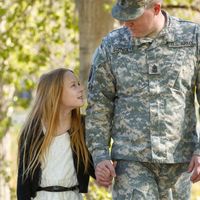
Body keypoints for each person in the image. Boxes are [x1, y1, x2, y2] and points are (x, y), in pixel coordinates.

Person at [86, 0, 200, 199]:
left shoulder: (192, 39)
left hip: (178, 162)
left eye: (133, 16)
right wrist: (100, 154)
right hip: (131, 162)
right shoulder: (113, 46)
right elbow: (99, 103)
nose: (126, 22)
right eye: (123, 15)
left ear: (156, 8)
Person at [17, 68, 95, 200]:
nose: (81, 88)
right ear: (56, 93)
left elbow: (95, 167)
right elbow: (23, 184)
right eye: (73, 85)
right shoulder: (33, 130)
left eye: (79, 84)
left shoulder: (83, 126)